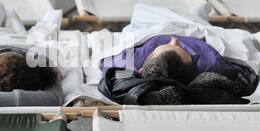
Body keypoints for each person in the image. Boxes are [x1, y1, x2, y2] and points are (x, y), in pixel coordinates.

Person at [102, 35, 252, 83]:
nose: (174, 39)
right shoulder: (214, 67)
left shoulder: (124, 65)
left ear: (141, 70)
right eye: (182, 49)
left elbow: (105, 63)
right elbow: (243, 71)